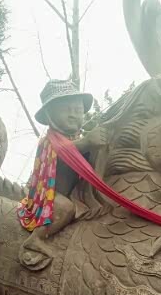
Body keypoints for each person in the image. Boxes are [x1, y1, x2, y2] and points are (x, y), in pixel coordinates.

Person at [18, 79, 104, 265]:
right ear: (50, 114)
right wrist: (87, 142)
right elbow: (65, 152)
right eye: (66, 109)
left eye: (78, 109)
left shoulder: (78, 139)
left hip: (77, 194)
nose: (73, 114)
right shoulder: (50, 141)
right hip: (50, 196)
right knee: (65, 208)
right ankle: (36, 238)